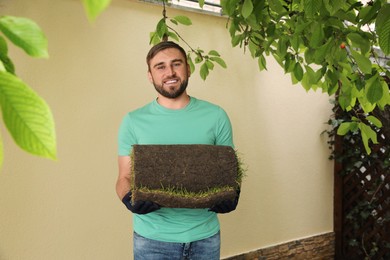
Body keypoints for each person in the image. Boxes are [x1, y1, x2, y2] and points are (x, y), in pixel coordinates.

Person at [116, 41, 240, 260]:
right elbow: (124, 177)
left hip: (205, 238)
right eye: (160, 66)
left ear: (188, 68)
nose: (170, 72)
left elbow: (228, 172)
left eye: (176, 64)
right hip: (152, 240)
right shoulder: (133, 121)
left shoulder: (216, 116)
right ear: (150, 76)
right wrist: (128, 197)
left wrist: (233, 192)